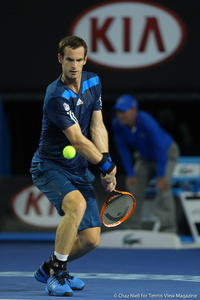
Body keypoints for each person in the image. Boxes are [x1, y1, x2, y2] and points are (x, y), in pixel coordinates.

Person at [30, 35, 117, 297]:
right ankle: (55, 277)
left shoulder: (94, 81)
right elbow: (78, 140)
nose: (75, 66)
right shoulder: (56, 95)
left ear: (85, 60)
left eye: (79, 60)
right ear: (60, 59)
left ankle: (51, 267)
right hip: (49, 167)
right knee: (76, 206)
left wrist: (106, 164)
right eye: (69, 59)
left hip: (79, 169)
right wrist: (105, 165)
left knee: (91, 240)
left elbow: (97, 126)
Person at [112, 94, 179, 233]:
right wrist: (130, 173)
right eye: (118, 111)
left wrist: (161, 175)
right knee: (134, 188)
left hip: (166, 154)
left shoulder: (146, 121)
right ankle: (132, 227)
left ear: (134, 110)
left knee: (163, 188)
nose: (120, 115)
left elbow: (160, 147)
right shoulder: (117, 125)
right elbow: (123, 150)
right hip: (144, 159)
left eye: (123, 111)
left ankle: (169, 229)